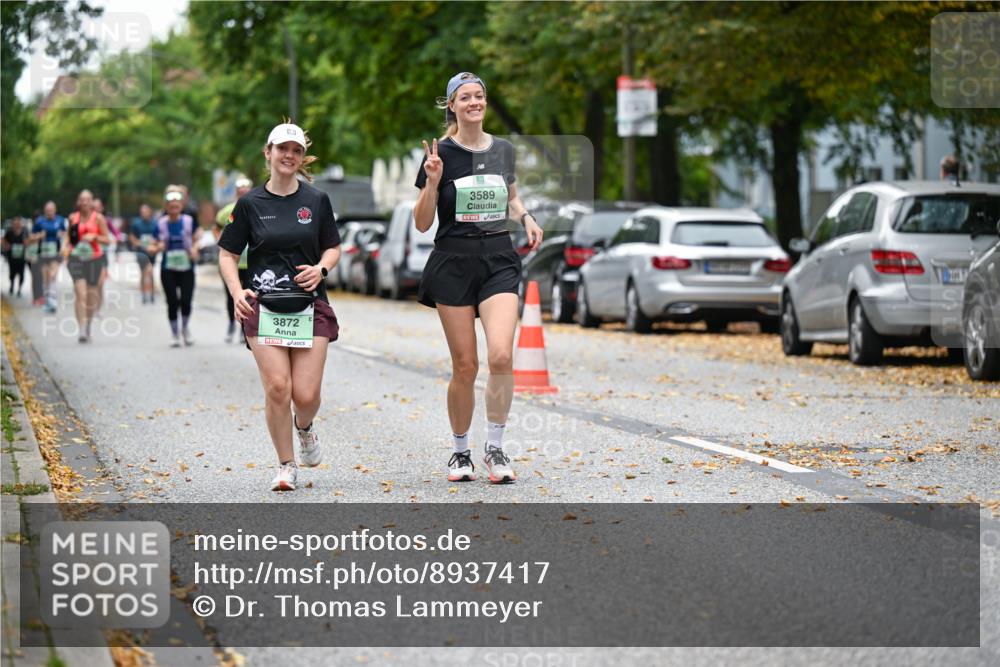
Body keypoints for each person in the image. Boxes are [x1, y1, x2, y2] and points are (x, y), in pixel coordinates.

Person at [414, 72, 543, 484]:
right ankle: (459, 452)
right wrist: (432, 182)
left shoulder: (503, 149)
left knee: (502, 357)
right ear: (451, 105)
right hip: (453, 262)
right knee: (465, 365)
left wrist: (524, 215)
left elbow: (510, 194)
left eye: (479, 96)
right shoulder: (439, 154)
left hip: (498, 259)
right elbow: (421, 223)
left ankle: (495, 447)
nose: (474, 102)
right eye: (465, 97)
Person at [218, 122, 341, 492]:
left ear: (301, 157)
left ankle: (304, 428)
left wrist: (321, 269)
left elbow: (332, 247)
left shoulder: (316, 201)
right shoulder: (250, 204)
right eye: (282, 149)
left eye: (296, 150)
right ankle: (286, 465)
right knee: (277, 387)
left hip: (309, 305)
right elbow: (227, 254)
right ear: (268, 152)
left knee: (305, 396)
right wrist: (237, 291)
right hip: (264, 307)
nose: (289, 156)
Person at [155, 186, 200, 347]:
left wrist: (195, 250)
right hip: (168, 268)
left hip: (187, 267)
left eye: (177, 203)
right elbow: (155, 242)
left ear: (181, 205)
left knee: (186, 300)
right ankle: (174, 333)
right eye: (170, 204)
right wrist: (157, 246)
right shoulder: (160, 223)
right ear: (166, 207)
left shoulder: (189, 221)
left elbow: (196, 239)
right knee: (172, 301)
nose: (174, 206)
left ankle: (185, 328)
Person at [63, 190, 111, 342]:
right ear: (78, 202)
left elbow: (107, 240)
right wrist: (64, 246)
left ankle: (88, 324)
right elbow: (68, 237)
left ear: (92, 202)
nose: (84, 202)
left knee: (91, 295)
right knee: (80, 292)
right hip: (76, 258)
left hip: (94, 259)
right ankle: (82, 329)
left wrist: (95, 236)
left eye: (87, 200)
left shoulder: (99, 219)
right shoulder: (73, 218)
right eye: (82, 200)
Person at [215, 176, 253, 342]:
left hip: (251, 263)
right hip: (232, 262)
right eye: (241, 191)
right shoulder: (227, 210)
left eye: (246, 191)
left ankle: (244, 328)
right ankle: (231, 323)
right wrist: (222, 244)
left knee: (250, 297)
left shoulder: (257, 208)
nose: (243, 193)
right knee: (232, 296)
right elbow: (216, 227)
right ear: (237, 193)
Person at [32, 201, 66, 312]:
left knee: (53, 276)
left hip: (55, 252)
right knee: (45, 277)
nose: (50, 212)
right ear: (45, 211)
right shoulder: (39, 221)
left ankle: (53, 301)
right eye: (47, 210)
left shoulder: (60, 220)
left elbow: (66, 234)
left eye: (51, 210)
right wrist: (39, 236)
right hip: (43, 253)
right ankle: (47, 301)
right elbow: (31, 237)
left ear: (55, 210)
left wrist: (62, 235)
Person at [128, 204, 158, 304]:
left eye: (146, 211)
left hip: (151, 251)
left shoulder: (155, 223)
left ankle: (152, 294)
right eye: (142, 211)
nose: (144, 213)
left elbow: (159, 237)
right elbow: (132, 237)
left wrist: (154, 243)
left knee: (150, 272)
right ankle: (144, 294)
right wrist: (139, 243)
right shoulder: (136, 224)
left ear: (150, 211)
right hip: (141, 252)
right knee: (143, 273)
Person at [2, 216, 29, 297]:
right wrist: (6, 245)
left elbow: (28, 241)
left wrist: (26, 243)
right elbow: (3, 240)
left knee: (21, 273)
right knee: (12, 273)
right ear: (13, 224)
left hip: (21, 257)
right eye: (15, 223)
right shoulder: (9, 232)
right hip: (12, 256)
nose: (17, 224)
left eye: (18, 223)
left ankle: (19, 289)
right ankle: (12, 285)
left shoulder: (24, 231)